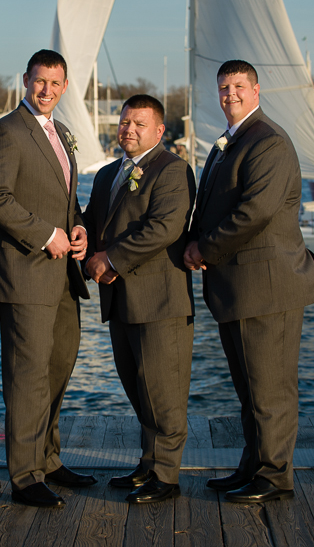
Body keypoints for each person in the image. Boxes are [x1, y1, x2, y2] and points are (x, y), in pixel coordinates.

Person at [184, 60, 314, 504]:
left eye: (238, 87)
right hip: (237, 287)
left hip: (267, 287)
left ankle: (275, 476)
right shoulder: (227, 143)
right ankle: (253, 465)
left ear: (257, 90)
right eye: (224, 88)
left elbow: (255, 213)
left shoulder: (269, 142)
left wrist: (203, 249)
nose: (230, 94)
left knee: (271, 388)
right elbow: (211, 206)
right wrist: (191, 240)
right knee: (249, 387)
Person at [0, 49, 92, 508]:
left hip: (63, 275)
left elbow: (63, 200)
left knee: (58, 368)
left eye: (55, 84)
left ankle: (48, 458)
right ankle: (25, 476)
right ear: (26, 80)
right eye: (39, 81)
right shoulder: (6, 132)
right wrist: (46, 235)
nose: (46, 90)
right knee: (28, 377)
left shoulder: (61, 132)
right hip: (25, 274)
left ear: (64, 87)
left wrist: (78, 226)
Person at [82, 94, 196, 504]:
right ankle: (149, 464)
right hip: (119, 300)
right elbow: (94, 221)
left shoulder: (173, 170)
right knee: (138, 388)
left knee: (163, 391)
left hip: (159, 300)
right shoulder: (109, 173)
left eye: (139, 124)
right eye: (125, 122)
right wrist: (79, 238)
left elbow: (163, 227)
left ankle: (166, 476)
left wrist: (110, 259)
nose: (129, 130)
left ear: (159, 130)